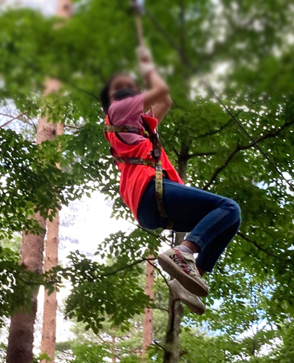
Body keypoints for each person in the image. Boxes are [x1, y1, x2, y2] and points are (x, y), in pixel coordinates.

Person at [100, 46, 241, 315]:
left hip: (151, 206)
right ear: (110, 99)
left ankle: (188, 280)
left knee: (229, 220)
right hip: (150, 191)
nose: (128, 88)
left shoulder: (139, 128)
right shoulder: (117, 110)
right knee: (228, 207)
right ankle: (183, 251)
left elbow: (165, 101)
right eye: (120, 86)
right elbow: (161, 90)